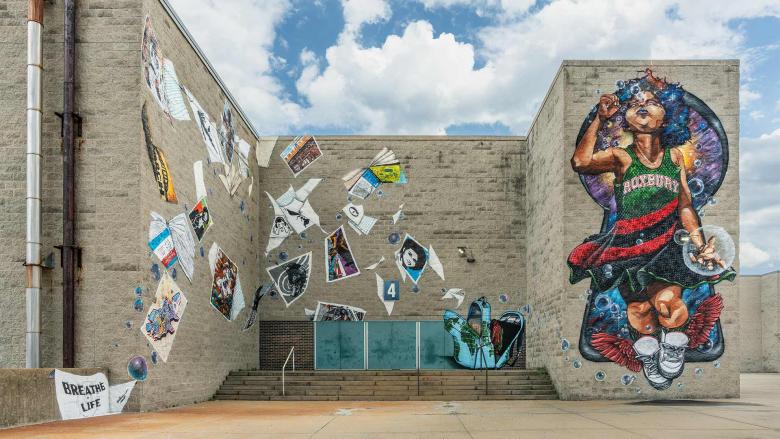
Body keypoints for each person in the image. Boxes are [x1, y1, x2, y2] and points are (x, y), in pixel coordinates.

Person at [567, 70, 735, 389]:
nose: (643, 104)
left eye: (652, 101)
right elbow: (580, 161)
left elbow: (685, 206)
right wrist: (600, 120)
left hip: (667, 243)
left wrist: (698, 245)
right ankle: (648, 352)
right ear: (627, 120)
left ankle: (673, 345)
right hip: (628, 245)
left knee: (668, 301)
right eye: (636, 103)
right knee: (639, 308)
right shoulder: (621, 157)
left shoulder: (674, 157)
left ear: (666, 115)